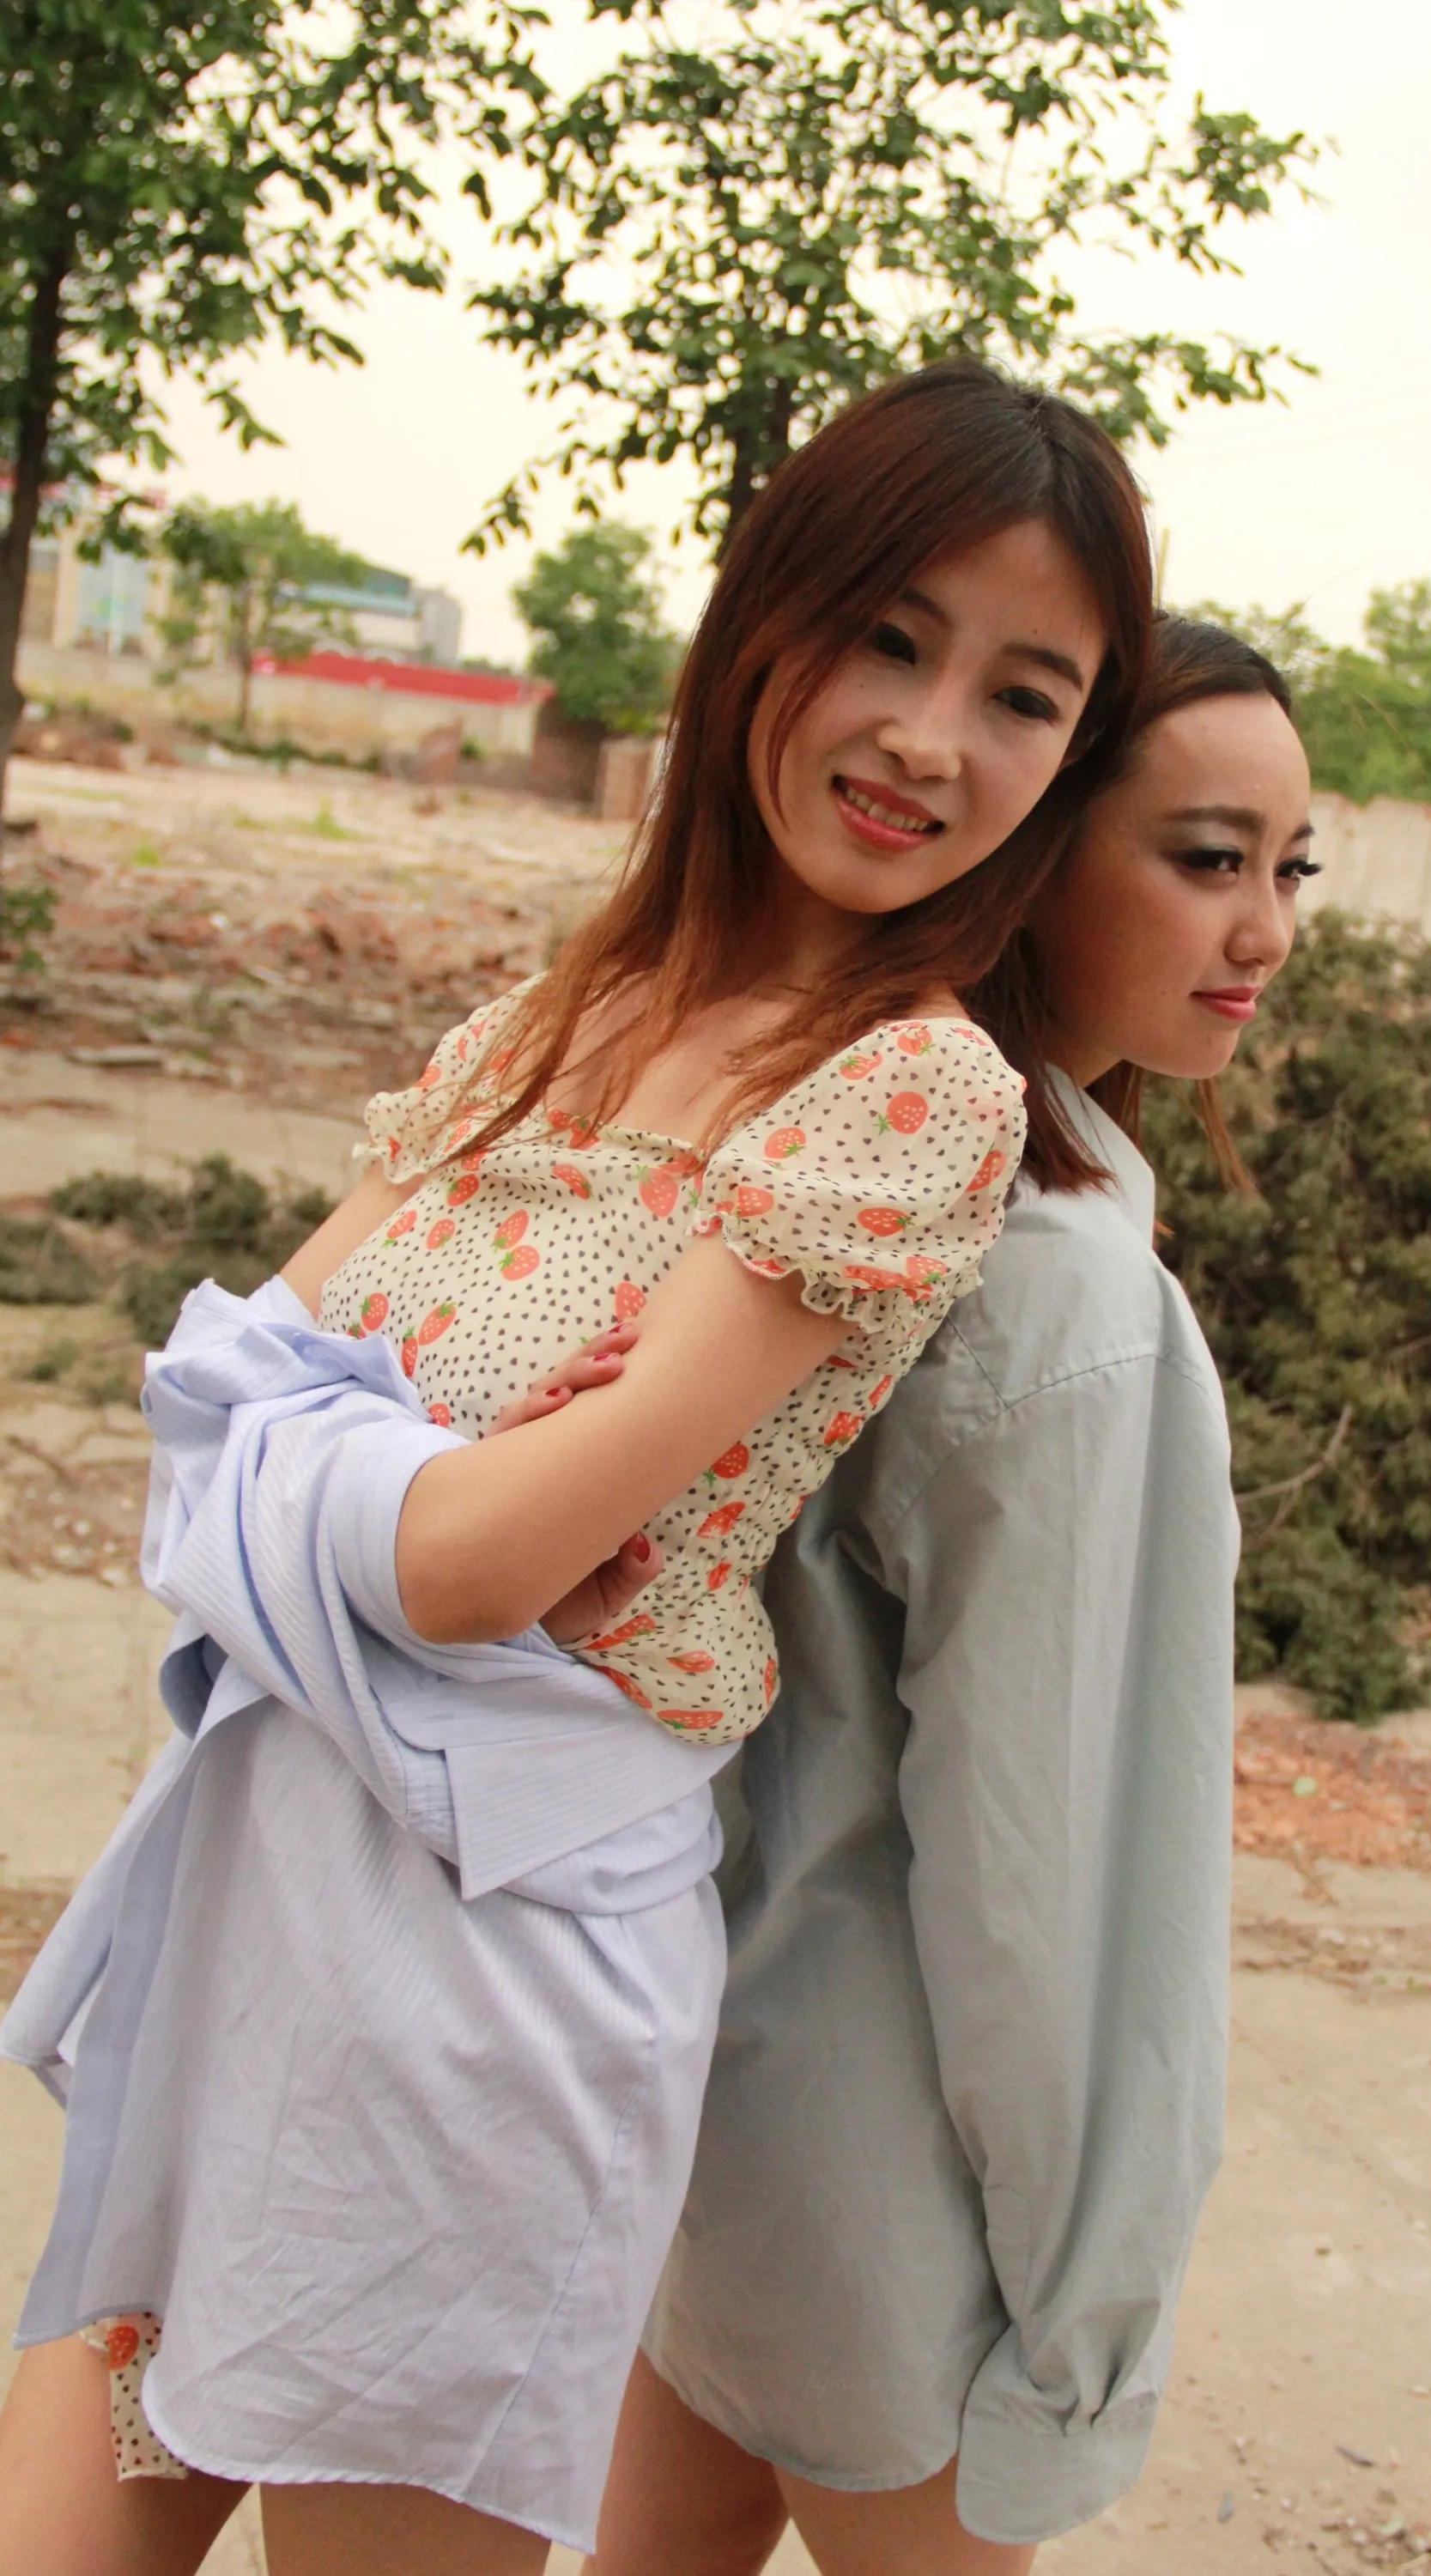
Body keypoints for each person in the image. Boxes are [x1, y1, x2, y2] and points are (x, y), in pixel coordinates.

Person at [0, 365, 1155, 2576]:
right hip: (249, 1885)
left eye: (1024, 697)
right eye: (890, 637)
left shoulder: (907, 1098)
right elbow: (201, 1426)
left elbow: (456, 1556)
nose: (931, 737)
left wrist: (342, 1470)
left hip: (481, 1971)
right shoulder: (556, 1017)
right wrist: (389, 1488)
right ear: (763, 621)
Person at [587, 618, 1317, 2576]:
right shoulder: (1065, 1292)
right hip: (887, 2194)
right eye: (1205, 857)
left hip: (695, 2080)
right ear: (1034, 848)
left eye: (1289, 865)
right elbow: (1055, 1879)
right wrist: (1084, 2311)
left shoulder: (816, 1149)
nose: (1262, 930)